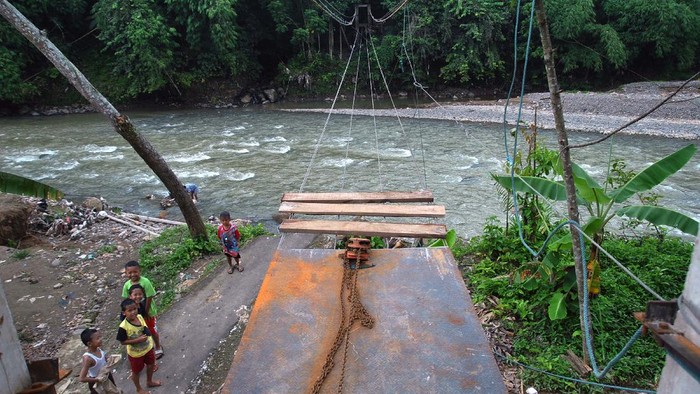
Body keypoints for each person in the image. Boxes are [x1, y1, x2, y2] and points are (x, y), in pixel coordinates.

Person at [117, 299, 161, 393]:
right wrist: (138, 340)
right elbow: (122, 342)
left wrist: (148, 332)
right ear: (124, 313)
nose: (133, 312)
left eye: (134, 309)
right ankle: (139, 389)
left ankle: (149, 381)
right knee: (136, 372)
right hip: (136, 354)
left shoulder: (140, 317)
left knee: (150, 365)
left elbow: (144, 327)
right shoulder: (123, 327)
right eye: (129, 310)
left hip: (148, 348)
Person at [122, 261, 163, 359]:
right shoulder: (127, 285)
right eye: (130, 273)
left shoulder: (145, 282)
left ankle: (157, 346)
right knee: (141, 331)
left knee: (152, 330)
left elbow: (149, 297)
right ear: (126, 273)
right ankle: (147, 348)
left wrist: (146, 312)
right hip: (136, 314)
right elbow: (126, 300)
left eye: (135, 272)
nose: (133, 274)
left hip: (148, 312)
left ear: (140, 271)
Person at [79, 328, 117, 393]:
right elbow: (82, 378)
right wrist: (97, 379)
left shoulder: (99, 348)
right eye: (98, 338)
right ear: (89, 344)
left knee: (114, 390)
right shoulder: (88, 358)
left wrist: (109, 359)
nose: (101, 339)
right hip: (96, 382)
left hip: (106, 376)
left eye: (100, 337)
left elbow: (104, 358)